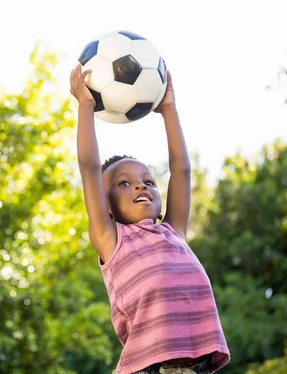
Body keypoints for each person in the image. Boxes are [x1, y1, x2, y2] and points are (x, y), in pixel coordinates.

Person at [69, 64, 230, 374]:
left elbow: (181, 169)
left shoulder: (174, 233)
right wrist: (86, 106)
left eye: (148, 181)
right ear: (108, 206)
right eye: (124, 183)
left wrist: (169, 108)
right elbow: (89, 167)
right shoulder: (111, 241)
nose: (140, 185)